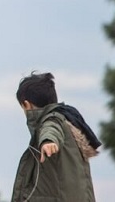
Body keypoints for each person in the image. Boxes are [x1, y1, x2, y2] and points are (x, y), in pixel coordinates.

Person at [11, 72, 101, 201]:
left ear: (26, 104)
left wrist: (48, 141)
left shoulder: (53, 119)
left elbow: (51, 129)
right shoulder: (68, 120)